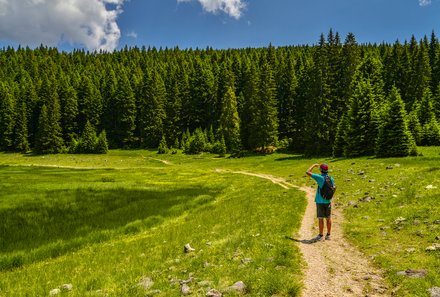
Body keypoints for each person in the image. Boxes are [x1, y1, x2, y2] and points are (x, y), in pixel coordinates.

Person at [306, 163, 335, 241]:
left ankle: (320, 235)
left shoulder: (319, 177)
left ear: (321, 170)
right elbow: (333, 188)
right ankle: (328, 235)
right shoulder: (331, 178)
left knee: (320, 218)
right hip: (328, 201)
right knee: (328, 218)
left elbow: (307, 172)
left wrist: (313, 165)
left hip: (320, 201)